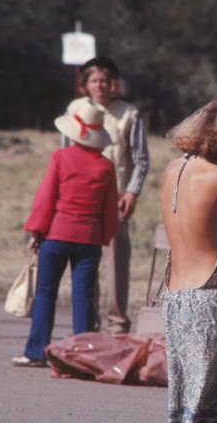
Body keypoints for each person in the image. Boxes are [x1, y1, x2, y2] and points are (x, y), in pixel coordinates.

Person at [159, 99, 217, 422]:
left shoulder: (173, 168)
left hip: (173, 295)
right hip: (209, 296)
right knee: (214, 400)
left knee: (184, 394)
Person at [12, 101, 119, 367]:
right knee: (83, 297)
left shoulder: (60, 157)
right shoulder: (106, 167)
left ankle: (36, 352)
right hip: (90, 238)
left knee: (46, 293)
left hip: (57, 234)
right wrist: (103, 237)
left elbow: (46, 198)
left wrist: (36, 231)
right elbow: (110, 210)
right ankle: (82, 358)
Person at [61, 56, 149, 334]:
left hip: (116, 196)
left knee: (116, 263)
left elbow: (141, 159)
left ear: (113, 84)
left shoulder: (129, 114)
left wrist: (132, 192)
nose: (100, 85)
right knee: (85, 261)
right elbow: (64, 155)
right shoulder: (75, 109)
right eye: (94, 80)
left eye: (105, 80)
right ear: (85, 85)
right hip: (81, 197)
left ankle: (118, 322)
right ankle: (88, 323)